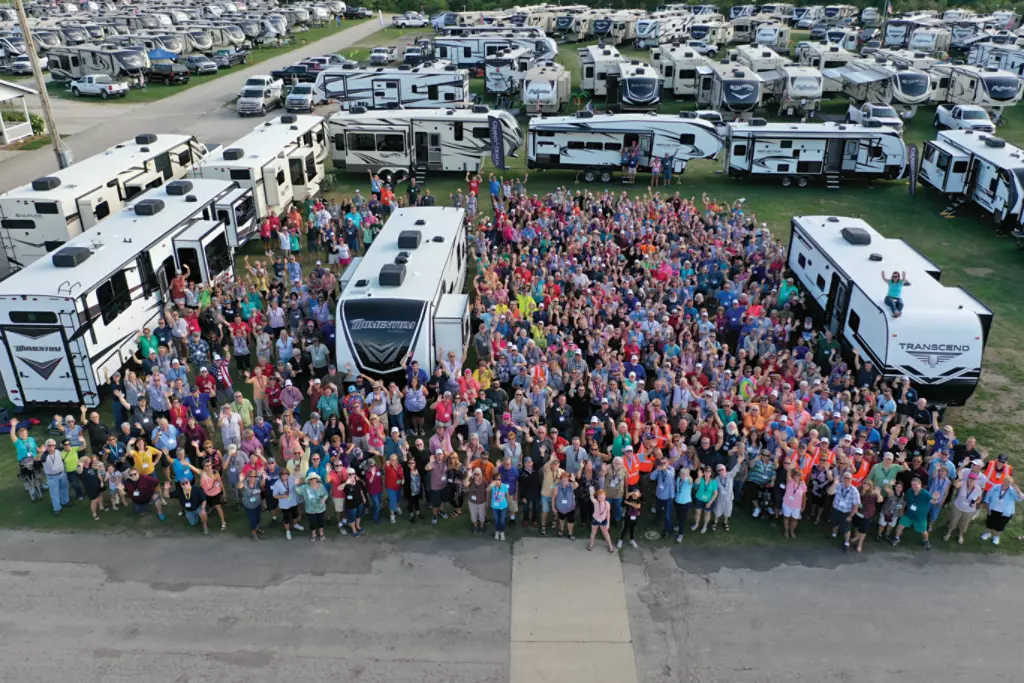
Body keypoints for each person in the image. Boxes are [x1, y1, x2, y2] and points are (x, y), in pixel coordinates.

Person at [890, 476, 933, 549]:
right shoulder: (909, 491)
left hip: (920, 517)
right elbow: (905, 501)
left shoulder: (926, 494)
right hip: (908, 515)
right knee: (900, 525)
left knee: (923, 531)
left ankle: (925, 541)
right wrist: (902, 510)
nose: (914, 486)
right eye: (912, 484)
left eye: (916, 484)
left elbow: (933, 501)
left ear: (920, 484)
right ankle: (897, 538)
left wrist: (935, 499)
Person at [980, 476, 1023, 546]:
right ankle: (988, 533)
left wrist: (1018, 491)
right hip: (993, 510)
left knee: (1000, 526)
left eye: (1010, 483)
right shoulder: (995, 487)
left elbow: (1020, 498)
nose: (1008, 485)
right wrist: (987, 508)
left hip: (1005, 513)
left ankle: (996, 537)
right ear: (1003, 481)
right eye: (1007, 483)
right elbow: (987, 497)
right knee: (990, 523)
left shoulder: (1012, 490)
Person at [943, 471, 983, 545]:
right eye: (970, 478)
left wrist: (975, 503)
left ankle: (960, 535)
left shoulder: (978, 488)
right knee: (953, 520)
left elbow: (979, 498)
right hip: (958, 506)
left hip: (969, 510)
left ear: (976, 480)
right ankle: (949, 533)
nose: (971, 480)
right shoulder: (963, 483)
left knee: (964, 523)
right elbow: (955, 485)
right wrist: (959, 478)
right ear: (968, 478)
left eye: (973, 479)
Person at [829, 471, 861, 552]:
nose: (846, 480)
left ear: (851, 480)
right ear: (842, 479)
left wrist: (851, 516)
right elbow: (829, 492)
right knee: (834, 524)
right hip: (836, 509)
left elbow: (856, 505)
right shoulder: (838, 485)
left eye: (848, 478)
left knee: (846, 529)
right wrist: (835, 483)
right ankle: (834, 534)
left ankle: (846, 542)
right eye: (845, 478)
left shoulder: (854, 491)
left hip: (846, 512)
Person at [295, 471, 329, 542]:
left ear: (317, 479)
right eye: (311, 479)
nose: (313, 480)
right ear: (308, 480)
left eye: (314, 478)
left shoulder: (321, 486)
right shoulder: (305, 487)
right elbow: (298, 490)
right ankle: (313, 534)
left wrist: (324, 499)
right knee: (312, 523)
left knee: (321, 522)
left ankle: (321, 532)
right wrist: (295, 484)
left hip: (321, 508)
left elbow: (326, 494)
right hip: (310, 510)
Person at [238, 470, 266, 541]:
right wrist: (240, 480)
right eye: (251, 476)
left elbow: (262, 484)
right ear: (248, 477)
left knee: (258, 518)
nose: (253, 478)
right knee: (253, 520)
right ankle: (254, 532)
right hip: (249, 506)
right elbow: (239, 486)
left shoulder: (257, 482)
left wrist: (264, 478)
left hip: (258, 504)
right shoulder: (245, 483)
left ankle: (257, 528)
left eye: (254, 476)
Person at [781, 466, 807, 540]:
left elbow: (804, 497)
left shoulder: (803, 485)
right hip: (787, 504)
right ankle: (786, 530)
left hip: (796, 506)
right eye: (795, 474)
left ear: (800, 476)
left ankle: (791, 531)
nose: (796, 476)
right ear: (793, 475)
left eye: (798, 475)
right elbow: (788, 473)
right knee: (786, 517)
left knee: (794, 519)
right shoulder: (789, 481)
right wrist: (790, 467)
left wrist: (803, 506)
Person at [692, 466, 719, 534]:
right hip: (699, 499)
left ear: (711, 473)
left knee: (707, 514)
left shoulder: (713, 482)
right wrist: (699, 476)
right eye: (706, 471)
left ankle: (705, 526)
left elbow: (715, 493)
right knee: (698, 513)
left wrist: (710, 502)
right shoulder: (701, 479)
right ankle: (696, 524)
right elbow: (695, 484)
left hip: (708, 501)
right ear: (703, 472)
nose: (707, 472)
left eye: (709, 471)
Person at [618, 484, 642, 550]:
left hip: (635, 518)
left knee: (632, 529)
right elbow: (626, 497)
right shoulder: (629, 497)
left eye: (636, 494)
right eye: (634, 494)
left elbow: (638, 506)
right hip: (627, 517)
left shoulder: (639, 500)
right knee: (625, 528)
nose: (634, 495)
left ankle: (632, 540)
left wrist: (629, 503)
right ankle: (620, 540)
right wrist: (633, 493)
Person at [488, 472, 510, 541]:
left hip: (503, 507)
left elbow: (507, 495)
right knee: (497, 520)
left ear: (501, 480)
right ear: (493, 480)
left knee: (502, 520)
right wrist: (492, 484)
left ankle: (502, 532)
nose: (497, 481)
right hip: (494, 507)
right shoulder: (492, 486)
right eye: (496, 479)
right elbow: (487, 490)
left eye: (499, 479)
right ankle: (497, 532)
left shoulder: (504, 486)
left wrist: (507, 505)